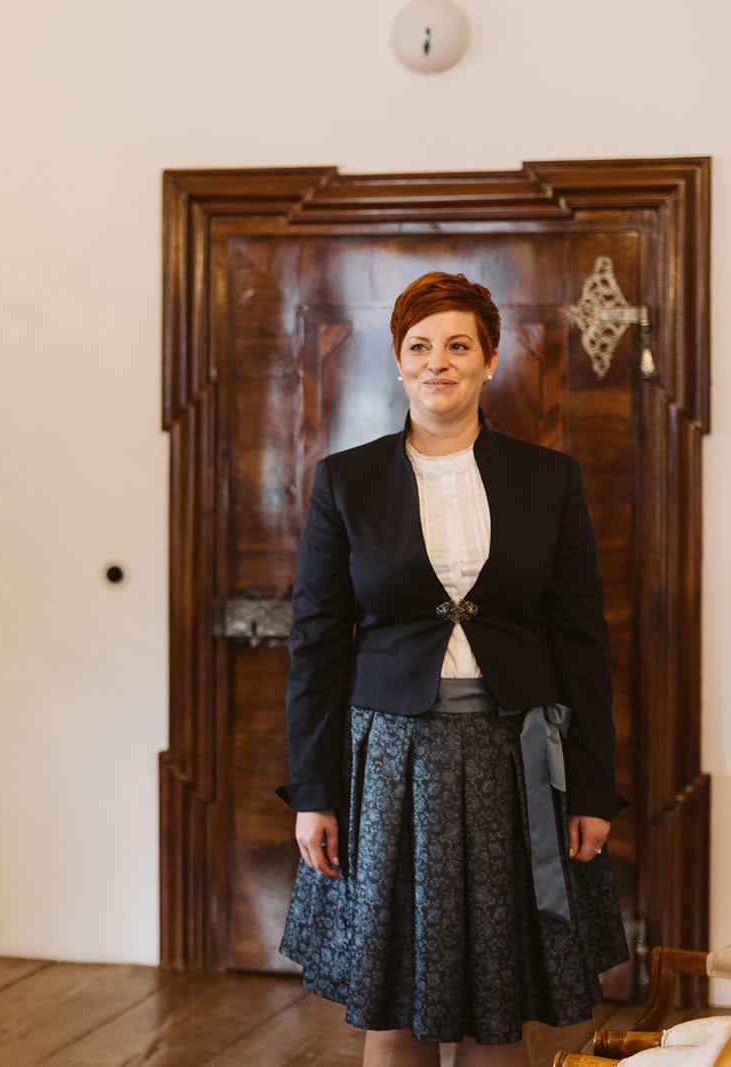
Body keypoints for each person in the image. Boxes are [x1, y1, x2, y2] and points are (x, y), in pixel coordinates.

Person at [277, 272, 630, 1066]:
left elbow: (582, 642)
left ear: (489, 360)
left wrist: (596, 790)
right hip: (386, 764)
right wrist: (313, 792)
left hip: (519, 757)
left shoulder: (550, 479)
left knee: (496, 1000)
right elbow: (318, 645)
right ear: (399, 363)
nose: (439, 361)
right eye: (420, 346)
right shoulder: (346, 481)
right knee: (395, 1005)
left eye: (458, 345)